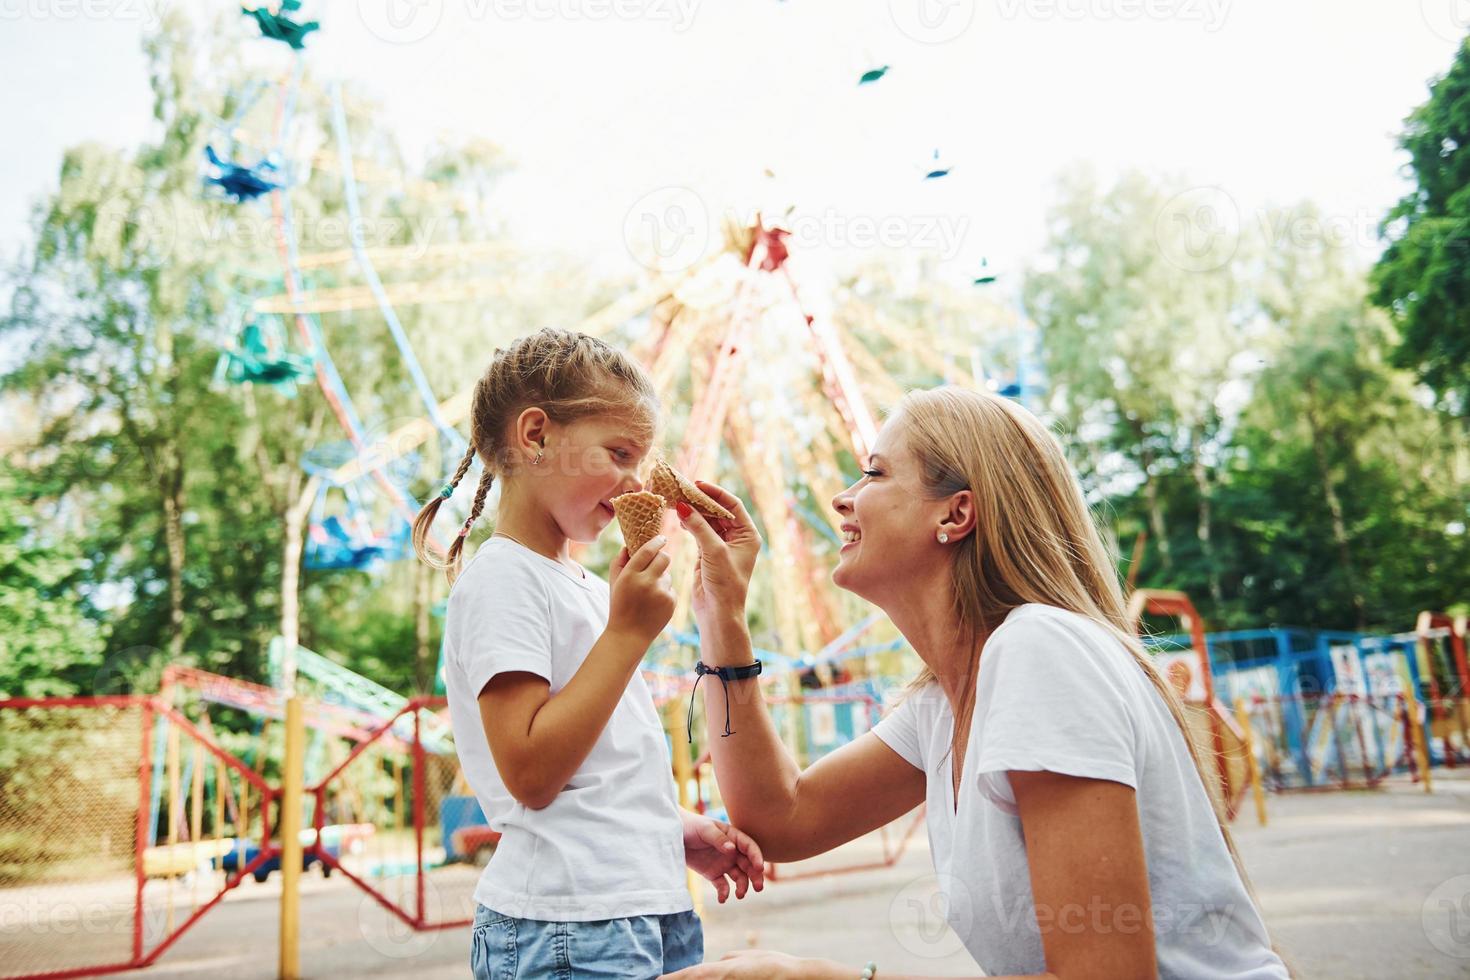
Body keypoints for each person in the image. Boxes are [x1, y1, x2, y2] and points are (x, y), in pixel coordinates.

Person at [664, 385, 1291, 980]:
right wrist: (721, 615)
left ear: (957, 512)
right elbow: (779, 817)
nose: (843, 498)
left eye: (875, 473)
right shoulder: (945, 702)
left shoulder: (1039, 650)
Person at [415, 328, 764, 979]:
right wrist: (627, 636)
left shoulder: (581, 587)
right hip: (569, 927)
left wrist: (670, 828)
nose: (640, 484)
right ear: (536, 435)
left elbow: (592, 767)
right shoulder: (503, 580)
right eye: (620, 452)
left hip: (632, 911)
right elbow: (531, 772)